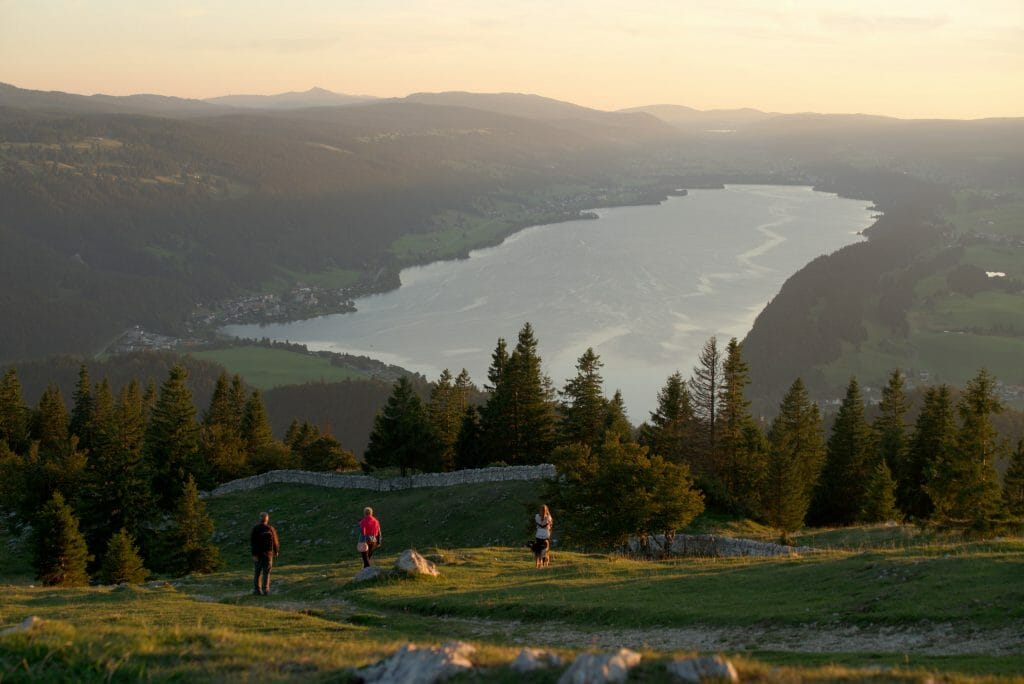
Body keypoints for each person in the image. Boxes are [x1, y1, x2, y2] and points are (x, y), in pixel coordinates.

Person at [250, 511, 280, 595]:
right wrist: (276, 551)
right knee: (266, 572)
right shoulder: (270, 529)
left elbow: (253, 543)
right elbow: (275, 541)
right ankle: (266, 590)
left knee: (257, 572)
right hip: (268, 554)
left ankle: (257, 590)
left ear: (260, 519)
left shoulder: (256, 529)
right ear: (267, 519)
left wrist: (254, 554)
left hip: (258, 554)